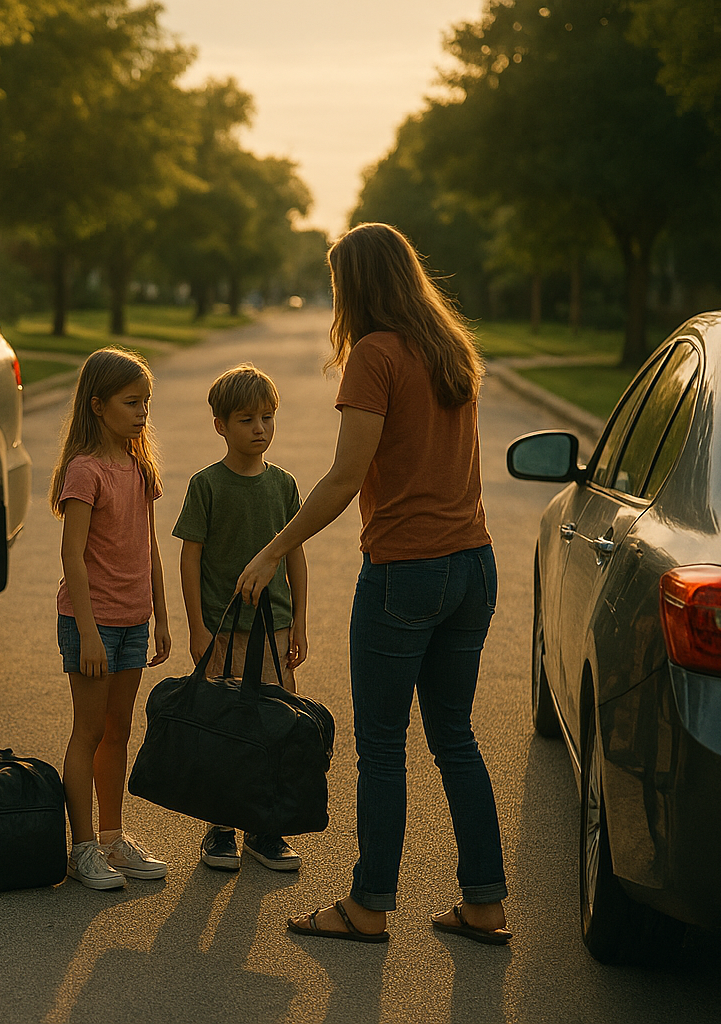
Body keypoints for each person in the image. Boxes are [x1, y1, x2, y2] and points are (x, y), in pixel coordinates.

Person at [237, 222, 511, 945]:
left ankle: (368, 906)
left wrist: (274, 548)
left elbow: (344, 477)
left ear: (354, 285)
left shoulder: (376, 355)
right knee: (455, 737)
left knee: (383, 747)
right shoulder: (450, 347)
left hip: (405, 573)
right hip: (472, 565)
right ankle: (484, 904)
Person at [172, 362, 309, 874]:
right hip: (222, 629)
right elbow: (190, 557)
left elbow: (294, 555)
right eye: (247, 419)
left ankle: (264, 829)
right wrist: (196, 626)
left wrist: (301, 621)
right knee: (224, 725)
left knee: (273, 724)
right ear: (220, 426)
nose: (260, 428)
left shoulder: (285, 485)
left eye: (268, 418)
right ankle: (220, 828)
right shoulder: (207, 485)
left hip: (273, 631)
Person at [53, 346, 174, 890]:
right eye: (132, 402)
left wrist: (163, 617)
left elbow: (149, 546)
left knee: (119, 732)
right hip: (93, 624)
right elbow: (71, 555)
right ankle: (81, 849)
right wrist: (86, 635)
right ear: (98, 406)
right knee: (89, 731)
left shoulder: (139, 465)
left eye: (146, 401)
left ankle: (112, 838)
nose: (143, 411)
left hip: (134, 619)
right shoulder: (85, 471)